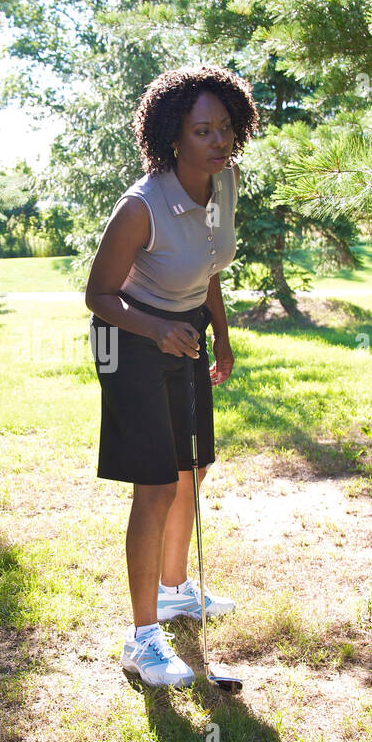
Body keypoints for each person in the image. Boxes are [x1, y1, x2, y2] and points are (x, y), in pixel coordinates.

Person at [84, 66, 259, 687]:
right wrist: (157, 331)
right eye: (203, 131)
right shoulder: (142, 206)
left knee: (193, 468)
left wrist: (224, 335)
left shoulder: (224, 183)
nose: (219, 142)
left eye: (226, 129)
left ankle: (176, 589)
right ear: (173, 137)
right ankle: (142, 638)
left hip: (185, 329)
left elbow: (210, 265)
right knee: (156, 484)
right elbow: (98, 295)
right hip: (128, 334)